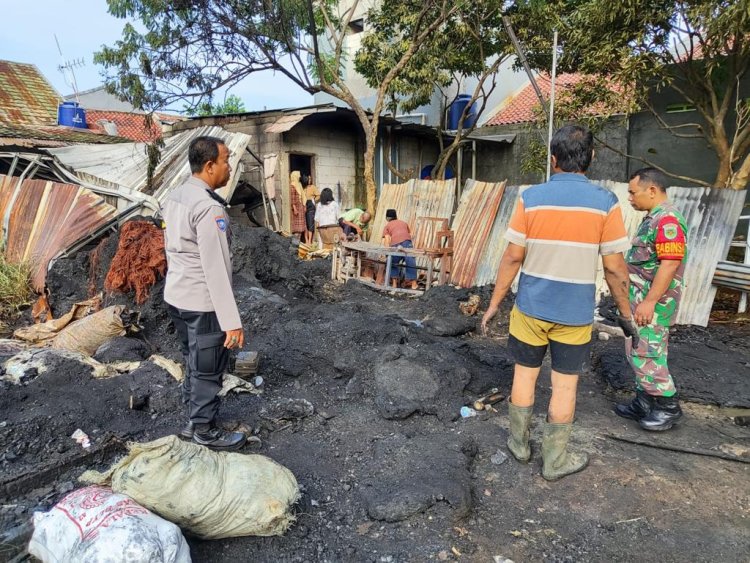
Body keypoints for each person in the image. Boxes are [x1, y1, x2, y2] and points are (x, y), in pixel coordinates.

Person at [481, 124, 639, 481]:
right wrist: (626, 315)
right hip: (574, 313)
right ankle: (555, 461)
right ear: (592, 158)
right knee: (565, 384)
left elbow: (511, 257)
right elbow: (615, 268)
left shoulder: (530, 198)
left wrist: (494, 303)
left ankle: (518, 446)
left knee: (524, 375)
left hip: (530, 309)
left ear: (553, 160)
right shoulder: (606, 203)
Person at [161, 136, 246, 451]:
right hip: (202, 302)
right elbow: (216, 268)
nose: (228, 166)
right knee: (209, 366)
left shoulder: (176, 197)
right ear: (209, 166)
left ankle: (193, 421)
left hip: (177, 296)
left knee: (193, 360)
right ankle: (204, 431)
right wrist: (231, 320)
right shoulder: (209, 209)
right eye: (225, 160)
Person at [615, 168, 688, 431]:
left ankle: (668, 407)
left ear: (652, 190)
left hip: (653, 305)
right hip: (640, 301)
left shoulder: (667, 221)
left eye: (633, 193)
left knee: (648, 353)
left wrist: (650, 302)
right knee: (637, 350)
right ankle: (645, 401)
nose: (630, 198)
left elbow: (669, 264)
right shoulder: (653, 218)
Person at [382, 209, 418, 289]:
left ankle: (394, 284)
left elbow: (387, 239)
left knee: (392, 261)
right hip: (406, 242)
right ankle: (414, 284)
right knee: (410, 260)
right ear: (396, 216)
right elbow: (409, 234)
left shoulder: (387, 226)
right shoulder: (403, 223)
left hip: (395, 243)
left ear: (387, 218)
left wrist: (387, 252)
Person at [302, 174, 320, 245]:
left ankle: (309, 241)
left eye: (310, 179)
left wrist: (314, 201)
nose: (309, 180)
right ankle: (306, 240)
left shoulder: (313, 187)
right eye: (308, 179)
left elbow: (318, 195)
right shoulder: (303, 188)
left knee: (310, 223)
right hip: (304, 204)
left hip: (310, 205)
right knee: (304, 224)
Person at [289, 171, 306, 240]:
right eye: (298, 176)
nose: (299, 177)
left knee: (301, 227)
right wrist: (295, 209)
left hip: (301, 207)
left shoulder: (299, 184)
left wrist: (304, 206)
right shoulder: (292, 185)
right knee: (297, 229)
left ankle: (298, 241)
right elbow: (292, 199)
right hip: (297, 208)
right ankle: (295, 242)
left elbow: (303, 196)